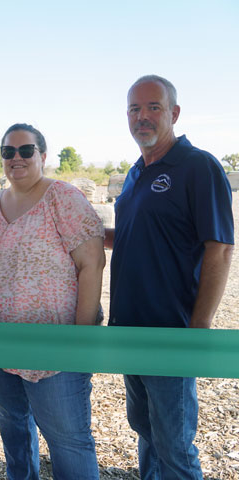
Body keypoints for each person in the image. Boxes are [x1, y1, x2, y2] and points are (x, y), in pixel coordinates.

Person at [106, 75, 234, 479]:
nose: (142, 117)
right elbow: (129, 236)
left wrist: (199, 327)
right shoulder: (133, 174)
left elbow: (220, 247)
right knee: (146, 432)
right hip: (129, 327)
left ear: (174, 113)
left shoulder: (198, 166)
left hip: (170, 330)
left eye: (153, 108)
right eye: (134, 109)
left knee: (174, 445)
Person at [0, 123, 105, 479]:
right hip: (1, 344)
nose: (17, 158)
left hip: (55, 349)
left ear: (42, 156)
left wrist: (80, 336)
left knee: (69, 441)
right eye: (8, 152)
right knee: (14, 432)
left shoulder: (62, 197)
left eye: (26, 150)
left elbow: (92, 262)